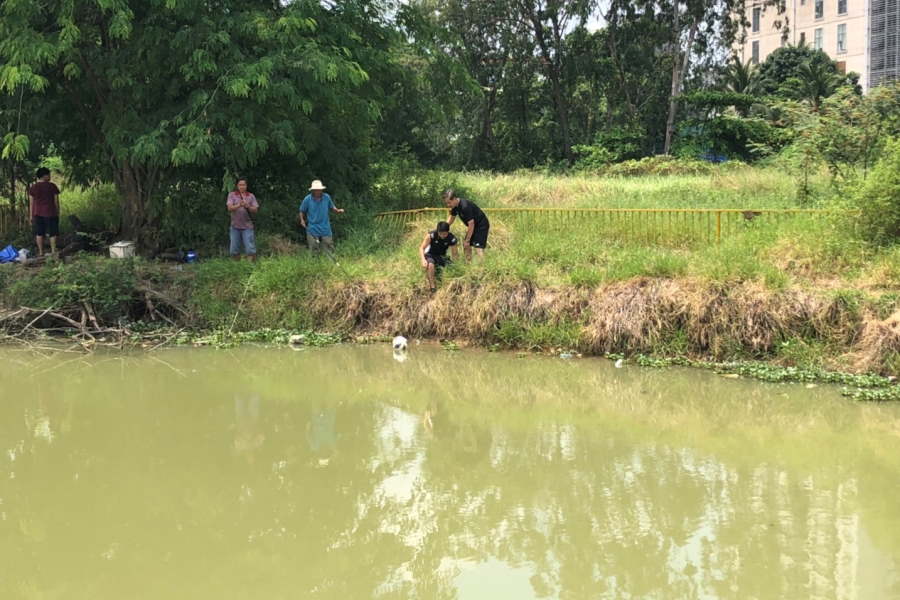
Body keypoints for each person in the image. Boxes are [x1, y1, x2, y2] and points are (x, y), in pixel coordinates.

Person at [298, 179, 344, 257]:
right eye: (316, 190)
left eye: (319, 190)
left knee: (328, 245)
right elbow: (301, 211)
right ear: (312, 190)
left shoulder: (326, 197)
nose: (318, 191)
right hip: (312, 227)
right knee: (313, 248)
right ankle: (314, 264)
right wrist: (302, 220)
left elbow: (332, 207)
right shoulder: (307, 199)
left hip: (325, 226)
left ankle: (330, 263)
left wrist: (337, 210)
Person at [443, 188, 489, 262]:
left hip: (481, 225)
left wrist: (467, 240)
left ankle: (484, 268)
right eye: (446, 203)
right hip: (473, 226)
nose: (448, 205)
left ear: (454, 199)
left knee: (478, 247)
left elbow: (471, 224)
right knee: (466, 246)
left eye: (449, 202)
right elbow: (451, 218)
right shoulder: (454, 206)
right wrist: (442, 228)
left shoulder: (465, 206)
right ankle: (468, 264)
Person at [28, 167, 60, 257]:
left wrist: (31, 216)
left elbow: (31, 203)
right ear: (44, 176)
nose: (50, 176)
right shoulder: (52, 186)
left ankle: (41, 252)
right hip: (51, 212)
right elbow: (56, 201)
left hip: (37, 213)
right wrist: (58, 212)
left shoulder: (33, 187)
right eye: (49, 174)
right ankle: (53, 251)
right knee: (53, 233)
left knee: (39, 233)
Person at [419, 221, 458, 292]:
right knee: (430, 265)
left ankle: (449, 285)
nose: (442, 235)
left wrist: (456, 265)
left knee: (452, 267)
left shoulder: (452, 238)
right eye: (440, 233)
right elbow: (422, 248)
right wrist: (423, 260)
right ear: (437, 231)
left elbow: (455, 254)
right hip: (430, 254)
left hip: (442, 256)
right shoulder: (431, 235)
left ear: (448, 232)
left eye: (444, 234)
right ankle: (432, 286)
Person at [226, 177, 259, 261]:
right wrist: (239, 205)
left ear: (246, 186)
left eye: (243, 185)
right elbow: (229, 208)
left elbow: (255, 209)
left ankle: (251, 266)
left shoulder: (251, 196)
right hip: (235, 226)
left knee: (250, 248)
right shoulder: (232, 195)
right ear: (237, 186)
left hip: (247, 226)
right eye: (240, 185)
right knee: (234, 249)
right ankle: (236, 267)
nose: (242, 186)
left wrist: (248, 206)